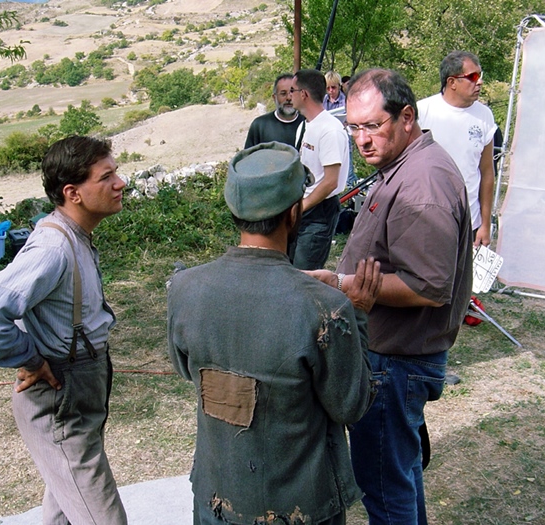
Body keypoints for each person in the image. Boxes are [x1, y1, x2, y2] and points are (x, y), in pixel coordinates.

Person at [168, 141, 381, 525]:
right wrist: (360, 315)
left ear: (233, 210)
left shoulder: (184, 289)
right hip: (300, 507)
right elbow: (351, 406)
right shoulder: (324, 308)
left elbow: (188, 372)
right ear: (295, 212)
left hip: (216, 497)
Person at [308, 69, 473, 525]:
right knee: (398, 476)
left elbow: (429, 286)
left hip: (395, 363)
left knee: (383, 486)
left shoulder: (422, 183)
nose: (361, 139)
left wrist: (342, 286)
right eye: (353, 128)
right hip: (390, 358)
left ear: (406, 117)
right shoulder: (402, 166)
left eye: (372, 126)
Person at [0, 136, 128, 525]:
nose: (120, 183)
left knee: (64, 510)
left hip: (80, 390)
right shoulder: (53, 247)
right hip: (60, 398)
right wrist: (30, 359)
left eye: (116, 172)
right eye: (107, 177)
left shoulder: (75, 236)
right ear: (73, 193)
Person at [417, 50, 497, 246]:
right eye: (472, 77)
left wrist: (485, 224)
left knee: (461, 277)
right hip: (426, 219)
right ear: (452, 82)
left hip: (469, 222)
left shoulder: (484, 116)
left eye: (480, 75)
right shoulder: (422, 111)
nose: (479, 82)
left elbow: (487, 172)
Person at [289, 69, 349, 270]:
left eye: (293, 90)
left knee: (306, 273)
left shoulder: (329, 130)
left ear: (304, 94)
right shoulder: (304, 126)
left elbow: (331, 180)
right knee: (289, 268)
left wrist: (302, 207)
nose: (290, 96)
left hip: (320, 210)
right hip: (301, 206)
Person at [244, 73, 306, 149]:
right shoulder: (260, 125)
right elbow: (248, 157)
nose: (289, 98)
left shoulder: (306, 124)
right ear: (274, 97)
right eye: (283, 94)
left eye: (292, 92)